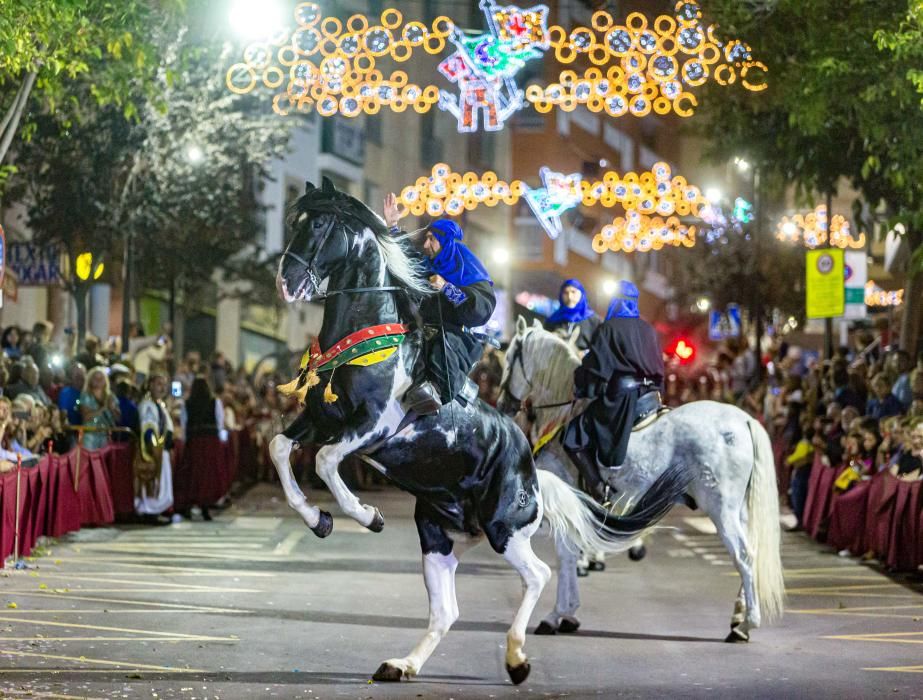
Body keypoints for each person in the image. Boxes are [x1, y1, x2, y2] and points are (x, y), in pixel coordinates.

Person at [383, 194, 496, 413]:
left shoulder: (469, 270)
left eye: (432, 239)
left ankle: (435, 395)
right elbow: (406, 257)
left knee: (440, 347)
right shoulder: (428, 264)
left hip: (455, 337)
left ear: (446, 243)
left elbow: (480, 309)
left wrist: (447, 287)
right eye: (426, 238)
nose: (426, 244)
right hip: (423, 330)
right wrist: (393, 225)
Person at [562, 281, 665, 496]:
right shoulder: (649, 329)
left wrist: (581, 387)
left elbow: (596, 369)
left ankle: (599, 488)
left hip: (621, 399)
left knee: (572, 435)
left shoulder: (608, 328)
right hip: (650, 398)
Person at [180, 377, 228, 521]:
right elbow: (220, 423)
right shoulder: (215, 402)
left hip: (194, 441)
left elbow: (184, 424)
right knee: (208, 475)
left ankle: (189, 506)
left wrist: (186, 440)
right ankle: (205, 507)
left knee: (193, 473)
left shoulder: (187, 403)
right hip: (210, 442)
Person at [135, 373, 175, 521]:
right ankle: (149, 511)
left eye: (164, 384)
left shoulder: (159, 404)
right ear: (150, 385)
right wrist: (154, 447)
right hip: (152, 451)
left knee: (161, 481)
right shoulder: (148, 405)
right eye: (159, 384)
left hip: (161, 449)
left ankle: (157, 510)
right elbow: (148, 427)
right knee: (151, 481)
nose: (162, 388)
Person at [543, 279, 601, 352]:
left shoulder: (593, 320)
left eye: (573, 292)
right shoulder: (552, 319)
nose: (569, 296)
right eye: (565, 293)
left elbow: (599, 347)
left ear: (581, 294)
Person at [79, 367, 120, 450]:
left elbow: (118, 419)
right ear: (90, 380)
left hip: (105, 436)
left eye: (101, 378)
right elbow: (86, 417)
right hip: (90, 436)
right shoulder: (85, 396)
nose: (98, 380)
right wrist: (104, 408)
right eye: (95, 378)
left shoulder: (111, 397)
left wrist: (112, 409)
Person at [58, 361, 87, 426]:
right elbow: (63, 412)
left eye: (81, 375)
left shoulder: (90, 392)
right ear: (72, 377)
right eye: (77, 376)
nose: (79, 378)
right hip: (73, 429)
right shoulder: (66, 392)